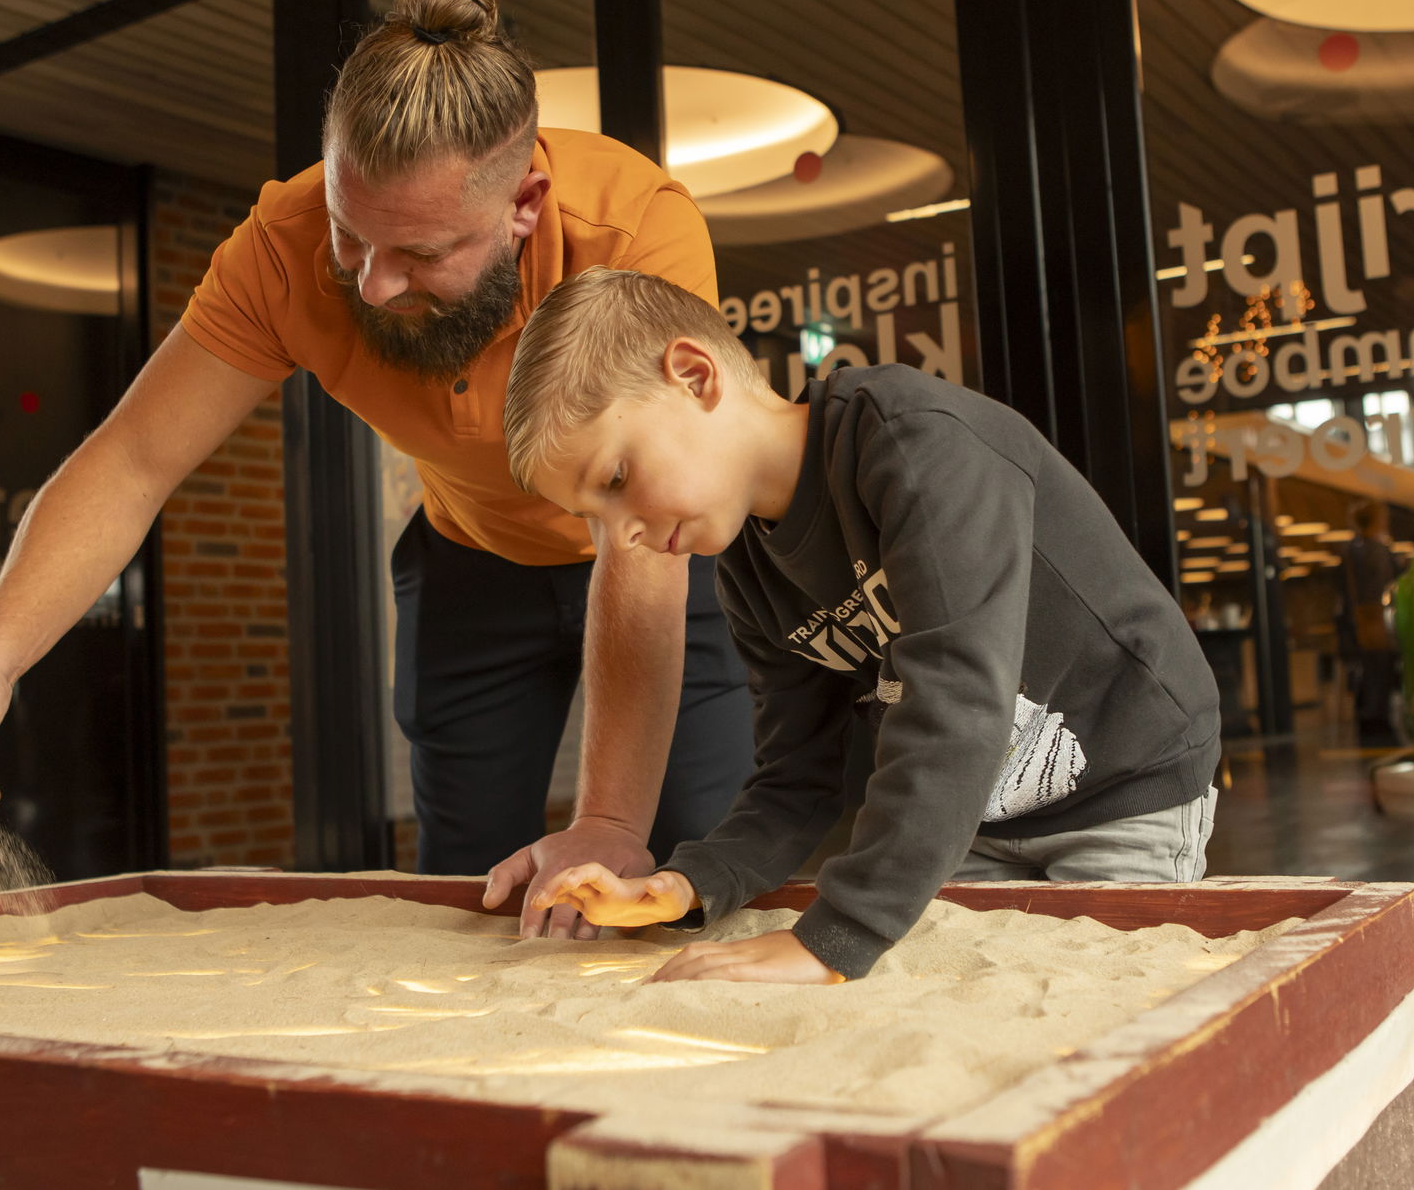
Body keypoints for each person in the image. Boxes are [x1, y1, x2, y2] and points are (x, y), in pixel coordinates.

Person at [0, 0, 752, 938]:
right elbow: (134, 459)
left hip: (656, 559)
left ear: (525, 201)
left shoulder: (634, 227)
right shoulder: (281, 249)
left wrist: (604, 819)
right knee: (474, 893)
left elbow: (646, 532)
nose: (377, 285)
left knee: (689, 866)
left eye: (422, 254)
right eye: (354, 239)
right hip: (471, 570)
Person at [504, 267, 1223, 983]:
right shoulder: (749, 576)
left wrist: (833, 936)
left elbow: (960, 698)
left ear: (695, 376)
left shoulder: (911, 441)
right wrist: (690, 883)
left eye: (618, 478)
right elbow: (797, 776)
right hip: (979, 819)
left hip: (1128, 784)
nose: (619, 537)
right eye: (593, 518)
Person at [1340, 501, 1401, 744]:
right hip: (1375, 619)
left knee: (1371, 669)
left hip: (1362, 620)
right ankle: (1377, 718)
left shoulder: (1353, 549)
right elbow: (1382, 586)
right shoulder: (1375, 550)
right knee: (1380, 669)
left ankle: (1370, 716)